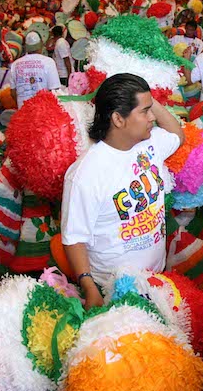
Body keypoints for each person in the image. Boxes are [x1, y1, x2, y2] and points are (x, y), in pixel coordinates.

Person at [61, 73, 185, 309]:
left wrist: (146, 96)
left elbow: (177, 135)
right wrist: (88, 286)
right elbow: (74, 238)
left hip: (156, 277)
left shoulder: (150, 144)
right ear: (118, 118)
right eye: (145, 111)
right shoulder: (85, 174)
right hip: (114, 290)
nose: (152, 117)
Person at [8, 32, 61, 109]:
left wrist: (21, 105)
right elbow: (55, 90)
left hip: (23, 111)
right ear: (41, 44)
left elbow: (13, 93)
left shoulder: (15, 65)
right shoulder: (48, 62)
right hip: (43, 111)